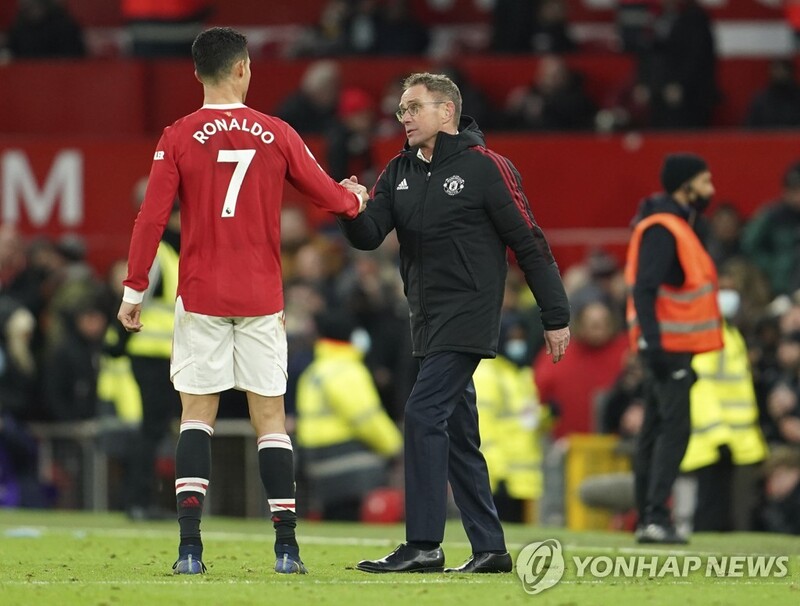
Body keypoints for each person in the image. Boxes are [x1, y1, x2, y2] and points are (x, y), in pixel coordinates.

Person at [117, 27, 368, 576]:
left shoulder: (178, 135)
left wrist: (135, 289)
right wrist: (356, 198)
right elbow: (327, 195)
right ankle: (286, 549)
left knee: (196, 418)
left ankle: (189, 550)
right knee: (271, 420)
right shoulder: (275, 131)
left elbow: (151, 219)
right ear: (242, 69)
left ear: (197, 72)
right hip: (261, 294)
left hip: (202, 294)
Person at [337, 72, 570, 573]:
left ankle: (424, 543)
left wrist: (555, 315)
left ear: (447, 112)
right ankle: (491, 549)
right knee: (459, 433)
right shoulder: (397, 170)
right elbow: (369, 234)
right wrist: (348, 206)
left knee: (423, 416)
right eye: (401, 110)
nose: (404, 118)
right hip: (424, 317)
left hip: (469, 313)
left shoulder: (486, 168)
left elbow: (529, 242)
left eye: (413, 107)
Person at [624, 152, 723, 544]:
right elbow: (645, 288)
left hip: (665, 344)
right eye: (705, 181)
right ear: (686, 185)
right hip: (667, 346)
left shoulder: (669, 224)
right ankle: (654, 517)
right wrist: (654, 343)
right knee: (672, 430)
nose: (710, 190)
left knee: (654, 429)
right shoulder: (666, 228)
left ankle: (647, 515)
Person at [295, 311, 402, 520]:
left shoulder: (314, 371)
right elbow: (367, 420)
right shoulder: (347, 371)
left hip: (316, 464)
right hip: (347, 466)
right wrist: (395, 447)